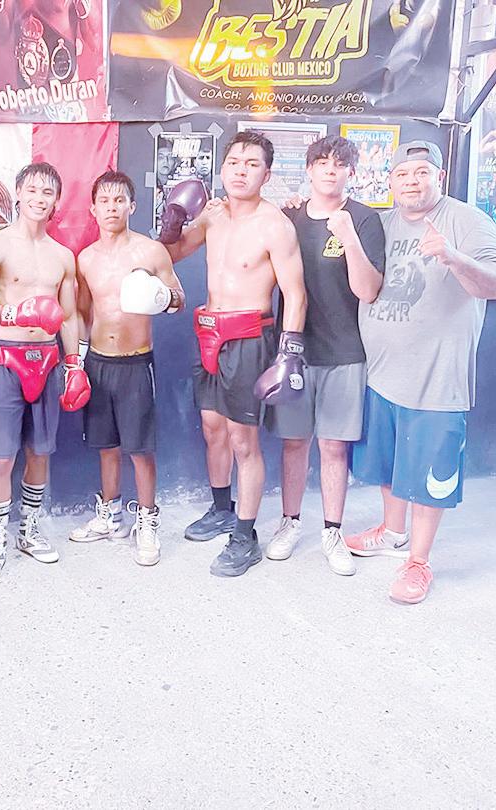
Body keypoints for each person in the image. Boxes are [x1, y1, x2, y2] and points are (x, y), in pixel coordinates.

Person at [345, 141, 496, 604]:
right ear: (391, 181)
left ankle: (419, 561)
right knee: (389, 463)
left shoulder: (467, 221)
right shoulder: (382, 223)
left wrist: (454, 257)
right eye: (403, 174)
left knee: (428, 476)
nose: (412, 181)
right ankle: (391, 532)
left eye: (422, 172)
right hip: (383, 374)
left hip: (438, 379)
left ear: (439, 176)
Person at [163, 130, 307, 578]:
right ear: (222, 169)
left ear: (267, 174)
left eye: (252, 164)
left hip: (249, 336)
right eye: (234, 163)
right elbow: (172, 252)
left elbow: (296, 294)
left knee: (243, 440)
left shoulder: (275, 225)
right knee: (212, 429)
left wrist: (289, 352)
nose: (241, 171)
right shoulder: (212, 217)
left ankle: (245, 537)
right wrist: (172, 220)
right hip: (208, 331)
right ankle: (222, 509)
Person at [264, 136, 385, 576]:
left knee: (334, 446)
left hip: (345, 351)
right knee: (294, 442)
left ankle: (332, 532)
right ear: (309, 169)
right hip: (294, 349)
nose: (330, 170)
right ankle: (290, 522)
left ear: (351, 172)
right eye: (322, 162)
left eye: (339, 164)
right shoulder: (289, 217)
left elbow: (368, 290)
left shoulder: (365, 219)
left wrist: (348, 236)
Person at [0, 162, 87, 582]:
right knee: (3, 456)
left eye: (47, 192)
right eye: (31, 189)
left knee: (40, 452)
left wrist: (75, 363)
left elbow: (68, 315)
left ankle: (29, 531)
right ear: (18, 193)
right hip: (7, 358)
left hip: (48, 359)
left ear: (56, 200)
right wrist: (14, 313)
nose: (38, 198)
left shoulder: (62, 256)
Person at [71, 170, 184, 565]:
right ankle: (110, 515)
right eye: (104, 201)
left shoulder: (151, 252)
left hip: (136, 361)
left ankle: (147, 521)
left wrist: (161, 296)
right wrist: (77, 361)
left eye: (119, 200)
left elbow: (179, 298)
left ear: (132, 206)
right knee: (106, 445)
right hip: (98, 359)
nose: (112, 208)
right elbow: (82, 311)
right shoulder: (86, 258)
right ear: (93, 208)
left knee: (140, 448)